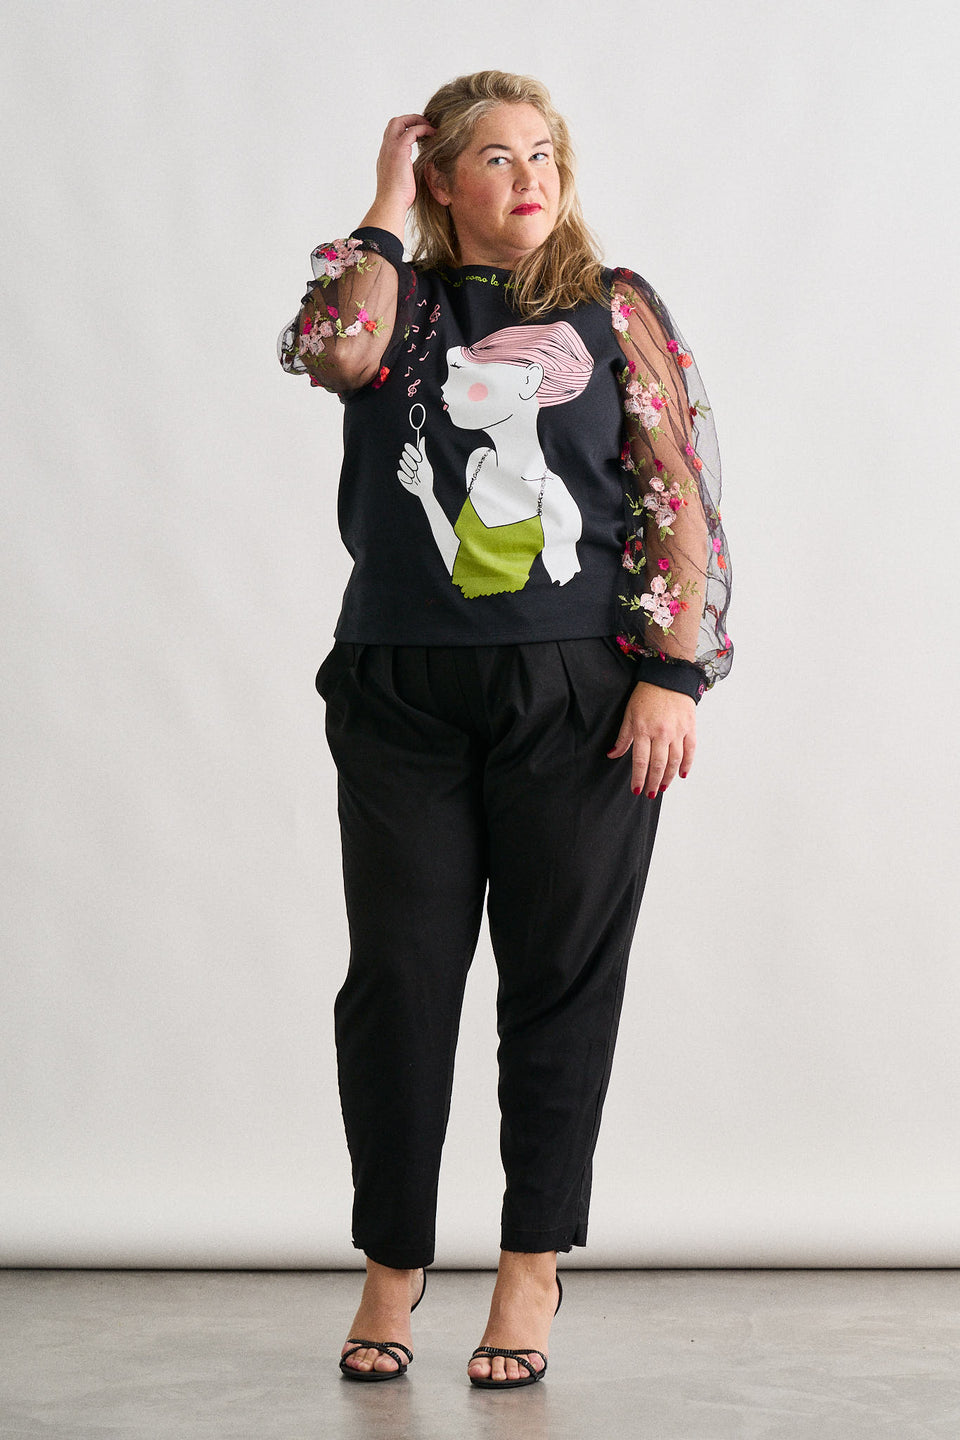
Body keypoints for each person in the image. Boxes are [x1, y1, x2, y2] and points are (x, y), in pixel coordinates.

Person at [278, 69, 733, 1389]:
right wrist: (378, 211)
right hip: (401, 692)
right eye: (493, 156)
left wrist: (674, 672)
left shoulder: (613, 307)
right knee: (399, 981)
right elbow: (329, 351)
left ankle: (531, 1267)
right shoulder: (398, 302)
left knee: (559, 983)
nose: (529, 177)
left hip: (580, 693)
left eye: (545, 154)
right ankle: (392, 1262)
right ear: (440, 178)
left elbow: (676, 485)